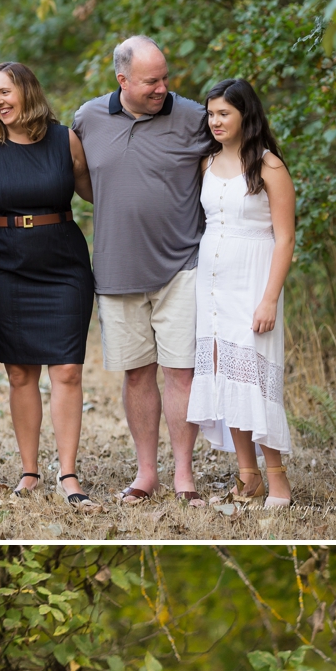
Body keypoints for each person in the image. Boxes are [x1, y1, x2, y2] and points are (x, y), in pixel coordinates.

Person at [71, 37, 210, 506]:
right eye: (152, 81)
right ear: (122, 80)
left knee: (181, 373)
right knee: (136, 375)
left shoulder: (193, 117)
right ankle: (146, 473)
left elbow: (231, 162)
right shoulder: (88, 118)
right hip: (117, 269)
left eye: (165, 78)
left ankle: (184, 475)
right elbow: (74, 175)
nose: (162, 88)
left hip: (182, 265)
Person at [0, 61, 99, 510]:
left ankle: (68, 473)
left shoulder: (66, 140)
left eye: (5, 92)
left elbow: (98, 192)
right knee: (20, 372)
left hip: (64, 264)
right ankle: (29, 472)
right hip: (7, 266)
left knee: (67, 370)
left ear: (28, 91)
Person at [189, 79, 296, 510]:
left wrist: (269, 298)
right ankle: (248, 476)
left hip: (254, 280)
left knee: (254, 375)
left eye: (224, 114)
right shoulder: (207, 162)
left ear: (244, 115)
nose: (215, 121)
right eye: (211, 114)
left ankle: (279, 482)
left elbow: (285, 238)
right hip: (213, 283)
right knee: (226, 372)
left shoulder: (269, 166)